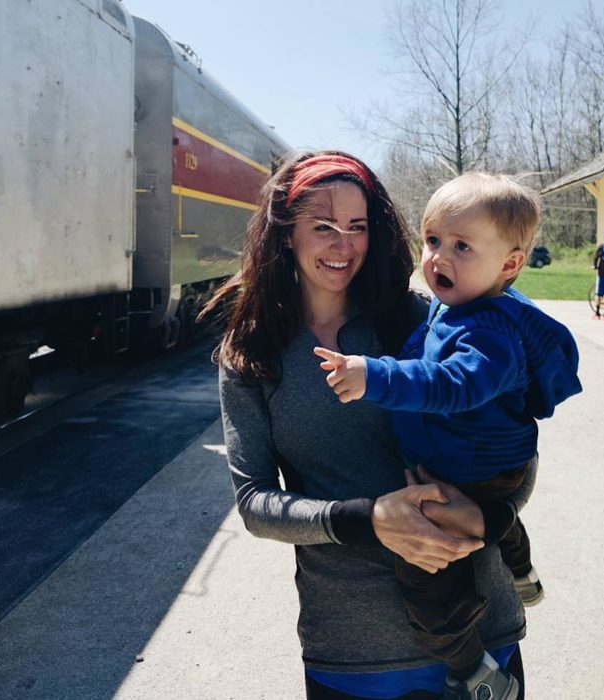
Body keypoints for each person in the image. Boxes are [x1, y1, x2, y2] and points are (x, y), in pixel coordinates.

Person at [206, 151, 536, 700]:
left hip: (482, 630)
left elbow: (515, 448)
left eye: (356, 227)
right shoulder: (252, 354)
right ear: (286, 233)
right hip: (352, 650)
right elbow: (256, 504)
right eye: (323, 227)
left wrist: (487, 513)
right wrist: (370, 519)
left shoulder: (428, 320)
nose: (342, 245)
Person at [314, 173, 582, 699]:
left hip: (480, 467)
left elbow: (451, 385)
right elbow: (423, 352)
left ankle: (472, 668)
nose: (439, 258)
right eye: (433, 240)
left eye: (462, 246)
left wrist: (375, 375)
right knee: (490, 514)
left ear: (509, 264)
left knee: (426, 571)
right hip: (471, 463)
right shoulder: (455, 307)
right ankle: (522, 568)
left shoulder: (488, 331)